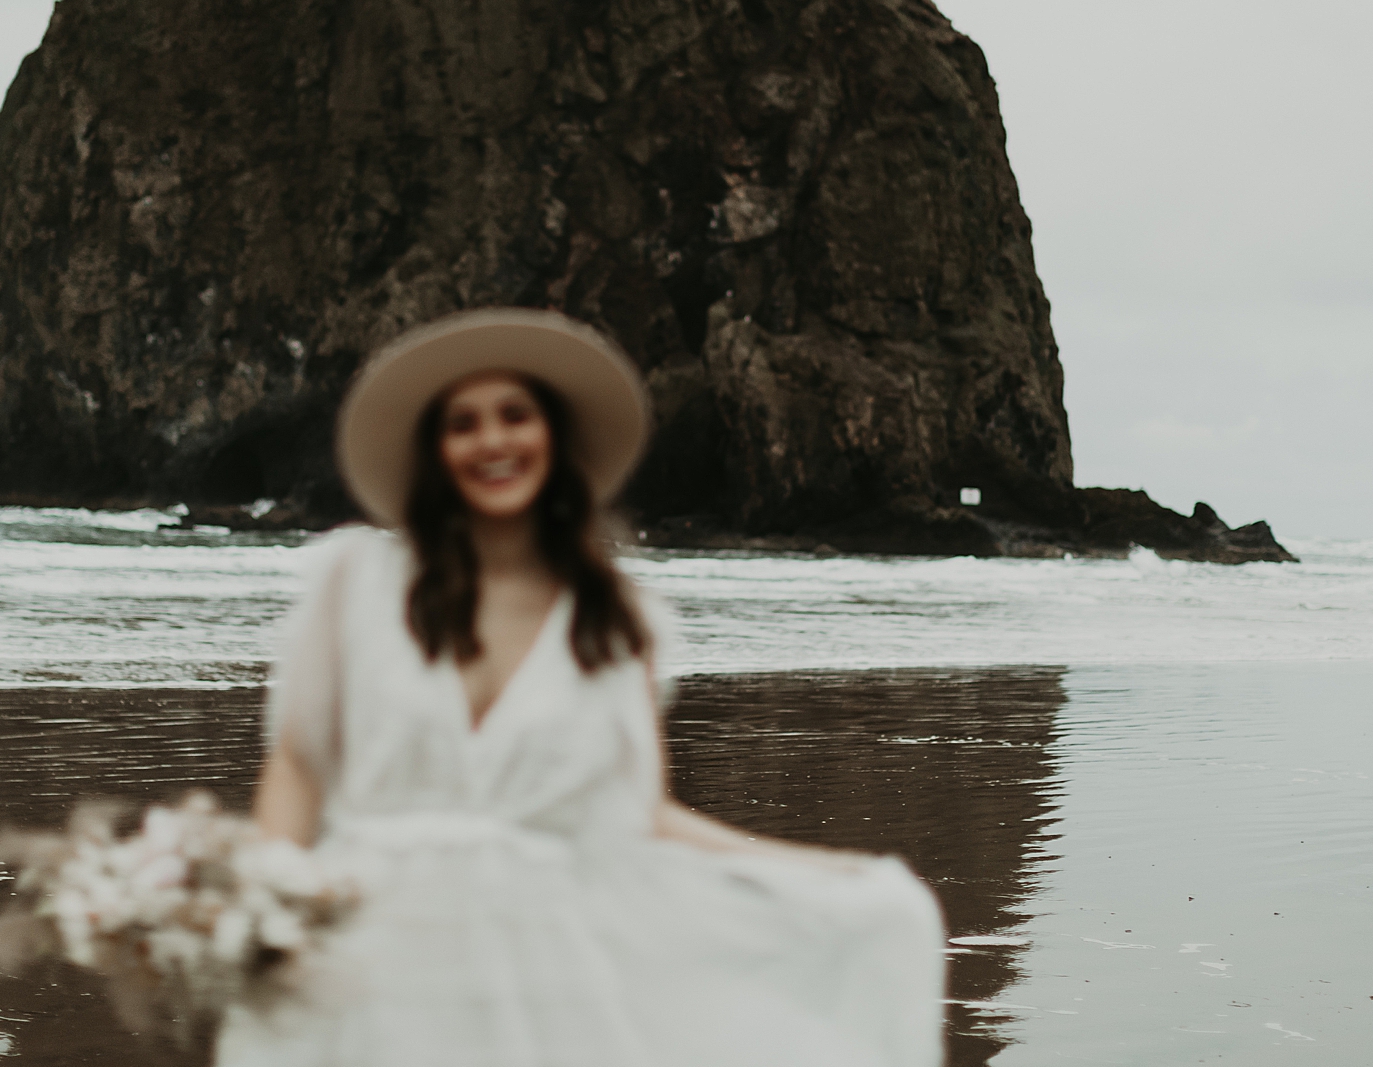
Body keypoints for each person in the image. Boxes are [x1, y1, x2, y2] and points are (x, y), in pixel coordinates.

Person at [220, 308, 945, 1067]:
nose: (493, 440)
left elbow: (633, 810)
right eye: (463, 423)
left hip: (543, 969)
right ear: (436, 451)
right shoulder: (354, 581)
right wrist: (271, 897)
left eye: (515, 415)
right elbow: (299, 761)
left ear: (554, 436)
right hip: (369, 953)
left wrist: (820, 872)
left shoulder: (621, 620)